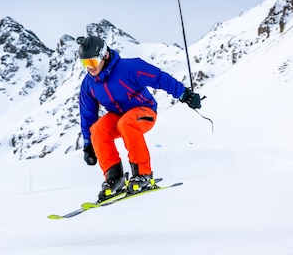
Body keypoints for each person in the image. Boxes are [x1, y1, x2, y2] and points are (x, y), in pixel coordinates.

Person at [77, 35, 201, 201]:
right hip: (119, 117)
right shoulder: (89, 84)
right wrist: (88, 145)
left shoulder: (129, 67)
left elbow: (159, 78)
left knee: (126, 123)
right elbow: (87, 115)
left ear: (104, 56)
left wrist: (184, 94)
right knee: (98, 130)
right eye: (85, 64)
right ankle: (115, 178)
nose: (89, 68)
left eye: (92, 62)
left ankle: (143, 174)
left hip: (144, 112)